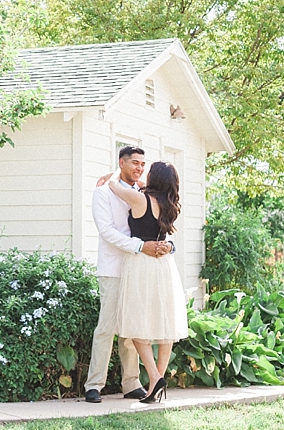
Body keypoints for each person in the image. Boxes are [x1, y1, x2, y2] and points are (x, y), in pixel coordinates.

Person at [84, 146, 174, 403]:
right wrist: (139, 246)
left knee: (133, 327)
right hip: (114, 268)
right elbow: (107, 231)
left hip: (141, 270)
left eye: (143, 164)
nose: (139, 168)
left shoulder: (144, 193)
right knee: (107, 327)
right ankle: (94, 384)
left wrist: (163, 246)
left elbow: (159, 227)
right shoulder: (102, 193)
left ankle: (131, 383)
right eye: (134, 163)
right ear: (121, 163)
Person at [107, 161, 188, 403]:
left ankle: (153, 376)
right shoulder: (170, 205)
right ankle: (157, 382)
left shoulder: (139, 199)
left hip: (141, 261)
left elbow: (114, 185)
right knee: (164, 325)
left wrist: (114, 173)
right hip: (164, 265)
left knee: (136, 321)